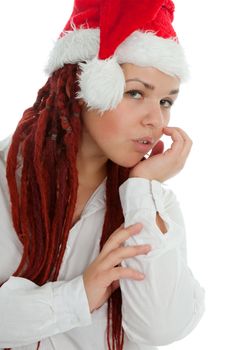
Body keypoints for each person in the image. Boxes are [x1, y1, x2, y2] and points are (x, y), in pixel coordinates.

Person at [0, 0, 205, 349]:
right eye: (135, 93)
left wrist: (141, 189)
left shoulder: (152, 202)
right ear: (82, 86)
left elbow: (160, 328)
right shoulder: (5, 178)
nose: (155, 120)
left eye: (166, 101)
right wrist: (77, 296)